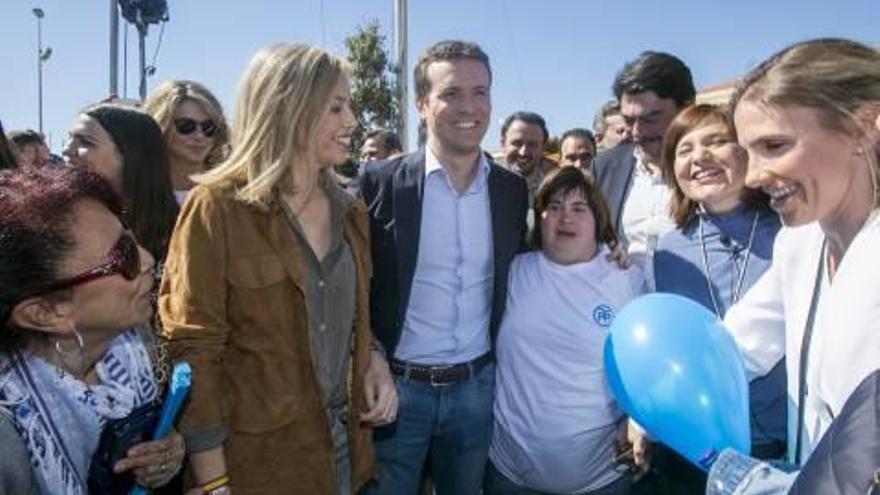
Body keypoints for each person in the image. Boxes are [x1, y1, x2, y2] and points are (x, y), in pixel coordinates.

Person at [159, 43, 397, 495]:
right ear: (289, 107)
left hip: (344, 453)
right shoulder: (217, 208)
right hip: (254, 465)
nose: (351, 122)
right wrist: (213, 484)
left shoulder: (351, 211)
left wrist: (375, 361)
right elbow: (193, 349)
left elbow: (347, 319)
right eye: (336, 107)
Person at [703, 38, 880, 493]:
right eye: (748, 152)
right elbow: (733, 349)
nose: (755, 175)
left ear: (865, 127)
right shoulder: (798, 243)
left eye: (775, 145)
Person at [360, 40, 529, 495]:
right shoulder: (378, 184)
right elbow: (353, 287)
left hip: (477, 391)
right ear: (421, 103)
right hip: (397, 391)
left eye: (481, 92)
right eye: (451, 93)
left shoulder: (513, 191)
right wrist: (371, 356)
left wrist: (608, 250)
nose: (469, 107)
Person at [0, 166, 185, 495]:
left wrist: (165, 452)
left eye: (130, 237)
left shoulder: (136, 340)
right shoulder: (9, 437)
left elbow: (151, 443)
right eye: (122, 256)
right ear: (45, 313)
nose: (146, 259)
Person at [648, 104, 787, 494]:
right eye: (684, 149)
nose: (700, 156)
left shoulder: (796, 228)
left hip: (786, 440)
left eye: (716, 141)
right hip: (697, 449)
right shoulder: (666, 250)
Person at [486, 167, 645, 495]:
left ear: (598, 218)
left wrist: (636, 420)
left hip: (601, 480)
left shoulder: (627, 279)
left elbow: (648, 367)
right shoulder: (514, 271)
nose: (565, 218)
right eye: (554, 207)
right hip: (508, 475)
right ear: (539, 217)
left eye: (578, 209)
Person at [593, 52, 696, 262]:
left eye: (650, 118)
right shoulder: (604, 168)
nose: (637, 132)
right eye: (629, 120)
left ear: (686, 108)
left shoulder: (717, 169)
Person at [63, 103, 179, 262]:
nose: (67, 150)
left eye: (85, 141)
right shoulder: (57, 221)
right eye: (69, 138)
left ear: (131, 156)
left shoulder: (180, 231)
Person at [143, 80, 230, 205]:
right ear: (162, 125)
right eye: (186, 126)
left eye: (209, 127)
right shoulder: (136, 191)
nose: (199, 136)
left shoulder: (229, 193)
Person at [500, 111, 553, 197]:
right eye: (517, 143)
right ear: (503, 144)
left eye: (532, 144)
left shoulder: (555, 190)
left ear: (543, 148)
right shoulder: (484, 185)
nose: (523, 152)